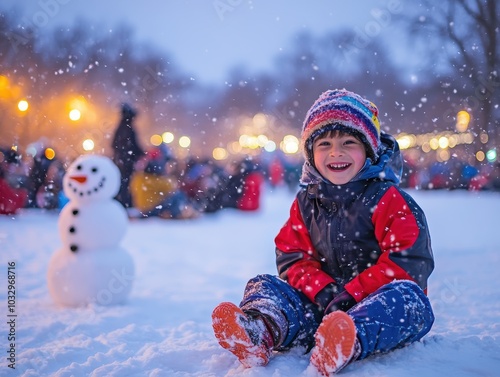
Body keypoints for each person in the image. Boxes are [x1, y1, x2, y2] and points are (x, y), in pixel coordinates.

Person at [211, 89, 435, 375]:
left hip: (375, 303)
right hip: (319, 305)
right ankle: (260, 330)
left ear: (368, 149)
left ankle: (347, 338)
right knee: (264, 284)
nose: (336, 152)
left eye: (349, 142)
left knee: (409, 302)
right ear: (310, 153)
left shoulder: (388, 199)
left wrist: (352, 295)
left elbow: (407, 262)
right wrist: (323, 291)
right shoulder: (306, 202)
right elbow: (293, 256)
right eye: (325, 143)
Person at [129, 148, 198, 219]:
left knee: (174, 198)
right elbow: (173, 186)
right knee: (178, 196)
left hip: (141, 209)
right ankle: (180, 213)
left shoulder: (138, 177)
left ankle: (179, 212)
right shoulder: (156, 180)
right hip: (152, 209)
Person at [111, 103, 145, 209]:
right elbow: (134, 146)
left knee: (122, 183)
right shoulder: (128, 129)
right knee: (126, 184)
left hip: (121, 161)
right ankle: (124, 203)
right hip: (127, 163)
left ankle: (121, 202)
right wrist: (141, 153)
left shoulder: (120, 128)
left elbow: (113, 144)